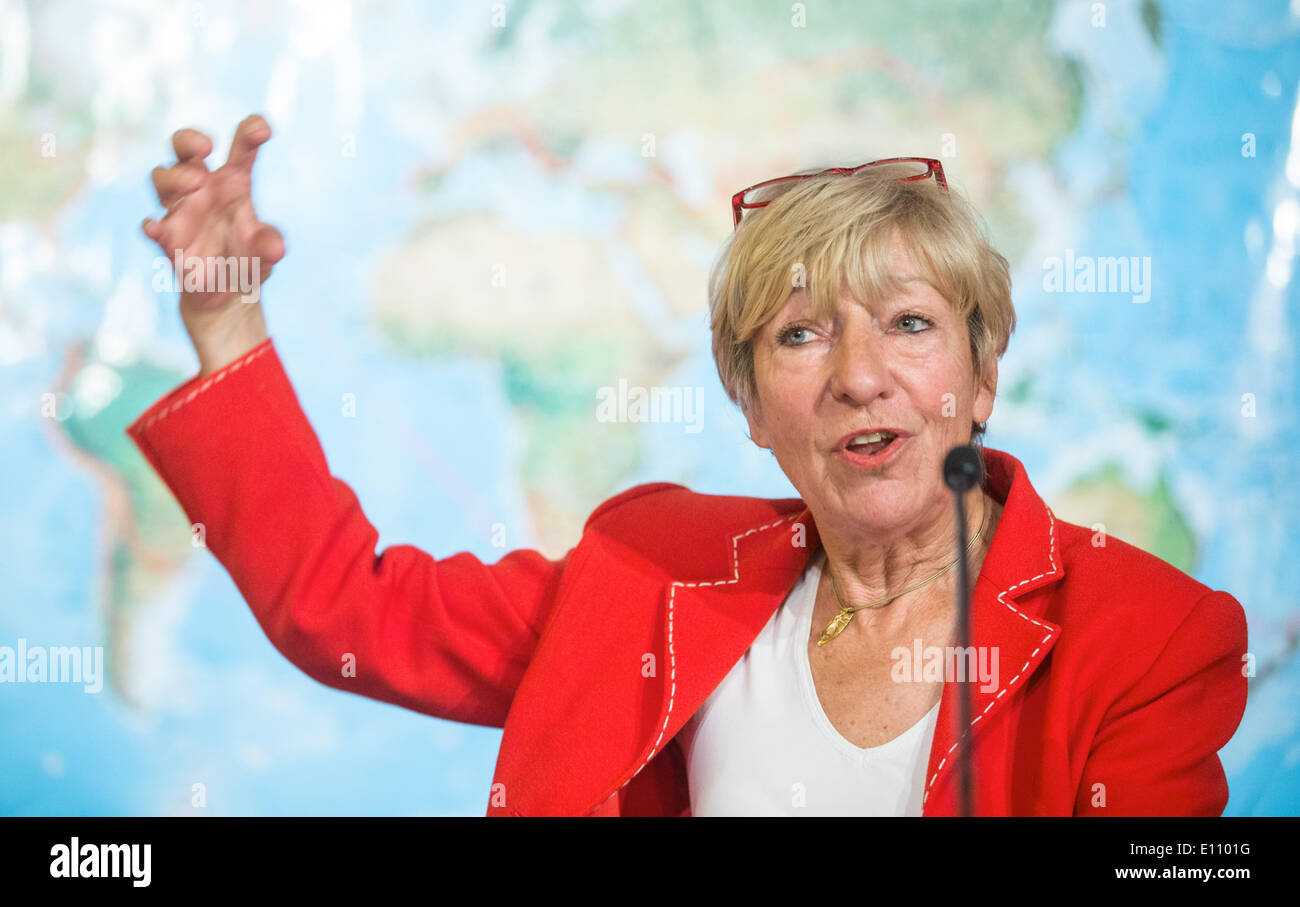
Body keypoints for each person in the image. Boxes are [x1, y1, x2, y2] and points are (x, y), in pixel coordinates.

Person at [133, 114, 1249, 816]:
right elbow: (349, 611)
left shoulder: (1148, 637)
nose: (860, 375)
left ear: (983, 371)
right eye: (800, 335)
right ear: (752, 404)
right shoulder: (649, 569)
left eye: (908, 324)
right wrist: (228, 325)